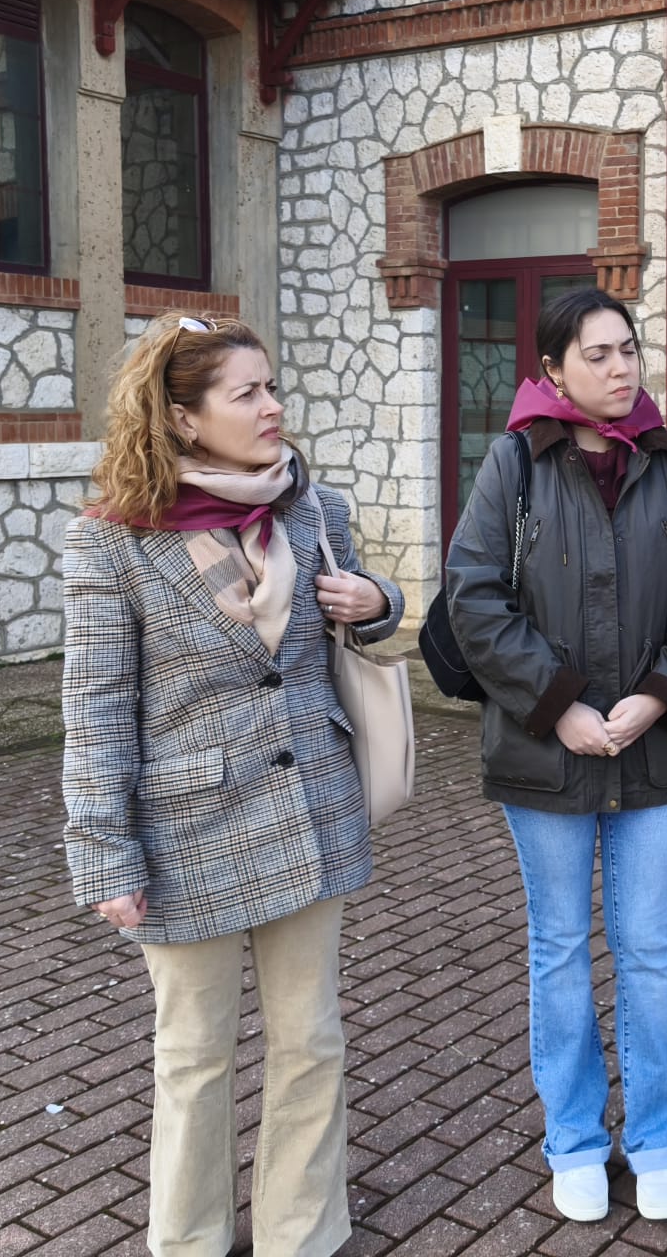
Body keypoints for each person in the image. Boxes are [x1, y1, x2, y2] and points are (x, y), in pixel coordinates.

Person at [61, 313, 403, 1257]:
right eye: (247, 393)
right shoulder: (113, 543)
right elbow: (95, 710)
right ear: (181, 418)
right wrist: (103, 852)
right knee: (194, 1059)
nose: (273, 407)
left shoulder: (312, 508)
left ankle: (305, 1236)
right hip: (183, 833)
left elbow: (363, 612)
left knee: (312, 1046)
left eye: (272, 387)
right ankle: (191, 1242)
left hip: (309, 808)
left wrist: (380, 604)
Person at [444, 288, 667, 1226]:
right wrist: (559, 704)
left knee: (646, 948)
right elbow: (474, 600)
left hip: (654, 754)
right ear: (552, 370)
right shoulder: (513, 463)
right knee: (561, 948)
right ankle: (572, 1140)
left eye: (629, 350)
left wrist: (657, 695)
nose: (621, 369)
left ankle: (656, 1140)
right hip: (545, 753)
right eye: (598, 354)